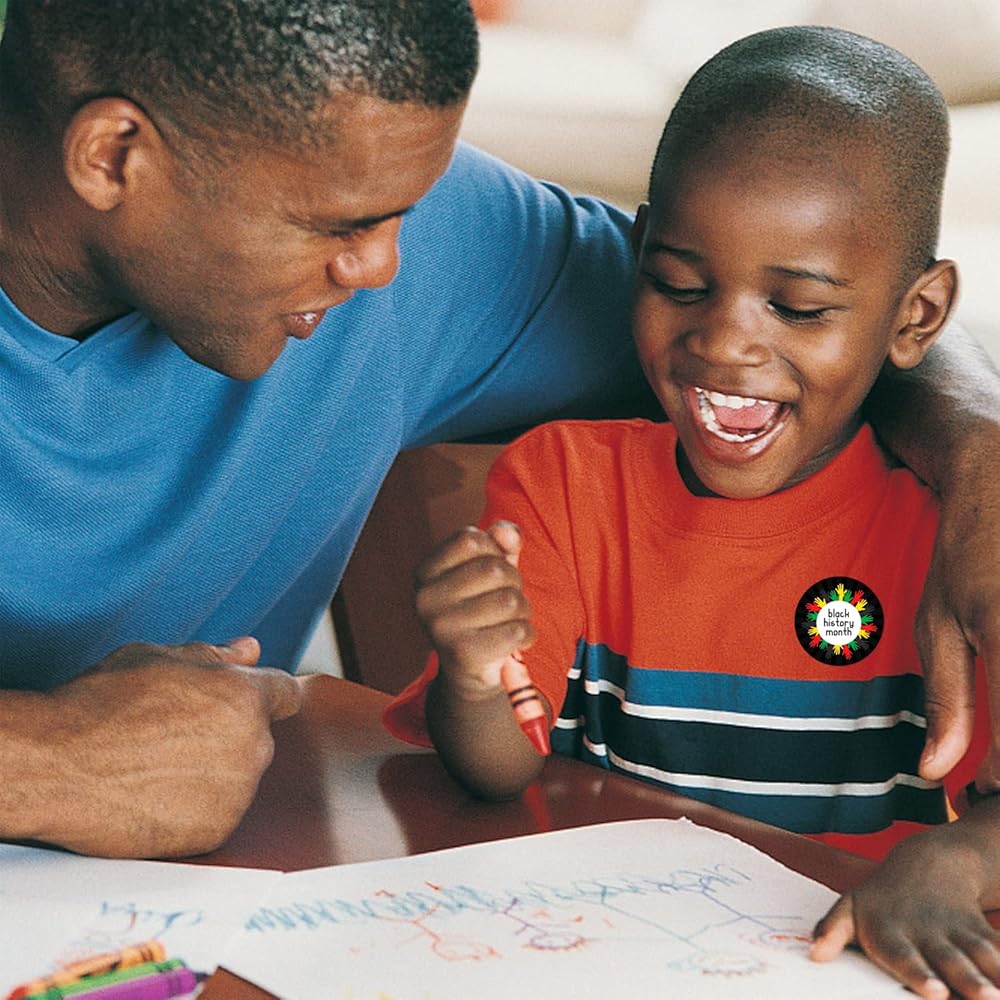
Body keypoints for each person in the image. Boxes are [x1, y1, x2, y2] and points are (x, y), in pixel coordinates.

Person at [0, 2, 998, 862]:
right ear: (114, 156)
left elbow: (814, 317)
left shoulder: (420, 235)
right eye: (339, 227)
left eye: (400, 216)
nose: (385, 271)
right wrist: (43, 761)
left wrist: (976, 447)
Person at [384, 27, 1000, 999]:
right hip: (589, 957)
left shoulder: (949, 538)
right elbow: (496, 767)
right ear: (638, 255)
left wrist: (956, 861)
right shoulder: (562, 484)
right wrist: (470, 669)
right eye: (680, 284)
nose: (722, 341)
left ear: (914, 316)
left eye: (798, 308)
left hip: (838, 968)